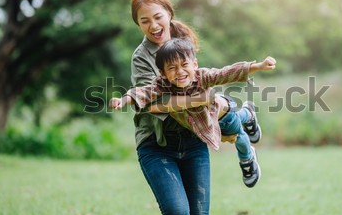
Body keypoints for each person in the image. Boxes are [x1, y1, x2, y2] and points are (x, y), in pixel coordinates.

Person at [110, 38, 277, 188]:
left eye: (184, 65)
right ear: (163, 73)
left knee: (238, 136)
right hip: (205, 123)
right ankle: (248, 113)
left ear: (194, 65)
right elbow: (142, 92)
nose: (180, 72)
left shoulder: (202, 77)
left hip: (222, 116)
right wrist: (122, 100)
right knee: (238, 124)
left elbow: (225, 73)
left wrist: (258, 66)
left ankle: (247, 158)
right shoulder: (161, 86)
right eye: (172, 68)